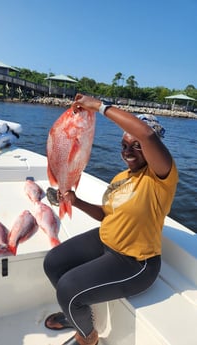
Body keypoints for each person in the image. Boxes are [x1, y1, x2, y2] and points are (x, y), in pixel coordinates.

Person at [43, 93, 178, 345]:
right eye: (124, 145)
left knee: (68, 289)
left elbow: (146, 134)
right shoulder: (120, 177)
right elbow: (107, 214)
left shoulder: (161, 177)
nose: (128, 151)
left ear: (154, 148)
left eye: (136, 146)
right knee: (53, 263)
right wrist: (76, 201)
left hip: (135, 262)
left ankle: (87, 336)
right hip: (106, 240)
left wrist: (98, 106)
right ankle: (77, 315)